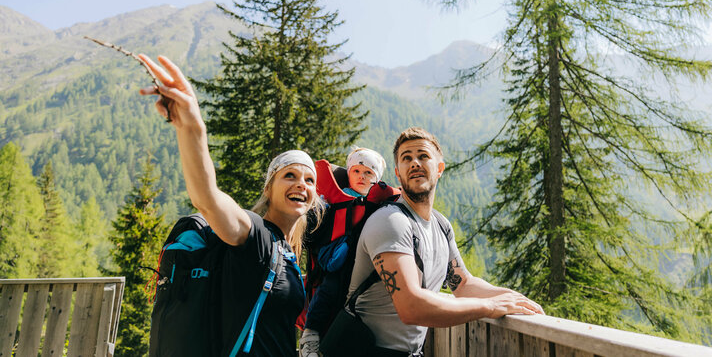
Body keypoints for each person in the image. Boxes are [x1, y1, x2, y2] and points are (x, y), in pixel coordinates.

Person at [138, 54, 323, 356]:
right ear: (269, 188)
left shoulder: (286, 252)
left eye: (309, 180)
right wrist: (192, 127)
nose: (301, 184)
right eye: (289, 175)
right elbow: (207, 198)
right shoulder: (257, 237)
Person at [344, 127, 544, 356]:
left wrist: (512, 298)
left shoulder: (441, 225)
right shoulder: (390, 221)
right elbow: (411, 306)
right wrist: (490, 307)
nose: (415, 163)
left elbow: (463, 284)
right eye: (406, 158)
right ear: (398, 174)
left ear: (439, 169)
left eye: (423, 156)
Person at [300, 147, 387, 357]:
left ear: (376, 179)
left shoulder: (381, 203)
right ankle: (310, 335)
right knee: (329, 290)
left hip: (363, 264)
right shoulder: (338, 197)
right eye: (356, 171)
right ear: (349, 172)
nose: (361, 177)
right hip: (336, 261)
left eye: (368, 173)